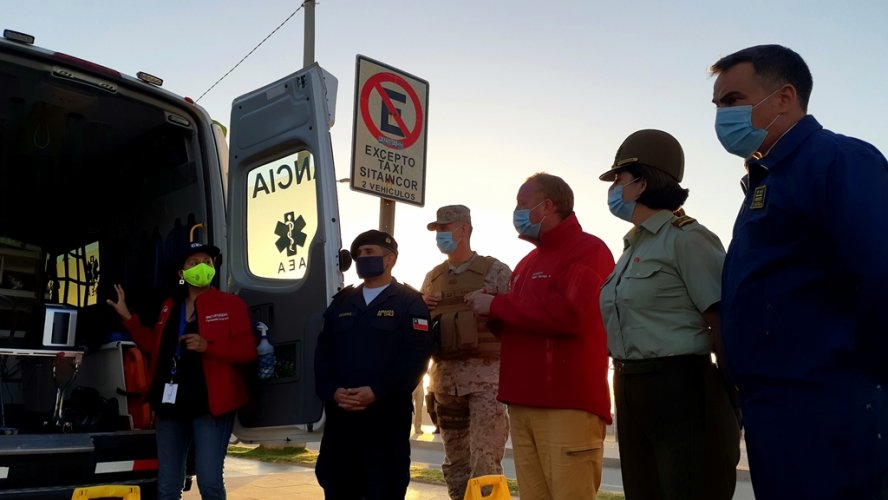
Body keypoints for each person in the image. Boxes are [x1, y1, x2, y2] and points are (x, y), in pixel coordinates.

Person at [710, 44, 888, 499]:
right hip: (775, 409)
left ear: (784, 98)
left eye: (732, 100)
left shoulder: (840, 161)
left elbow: (879, 276)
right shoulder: (763, 184)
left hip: (830, 408)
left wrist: (859, 387)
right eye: (717, 105)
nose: (721, 115)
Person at [598, 129, 740, 499]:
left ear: (642, 183)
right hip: (630, 386)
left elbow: (723, 320)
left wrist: (734, 400)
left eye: (619, 178)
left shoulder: (687, 238)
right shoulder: (631, 248)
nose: (613, 188)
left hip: (683, 389)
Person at [465, 173, 615, 500]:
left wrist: (500, 304)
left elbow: (570, 315)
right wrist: (493, 312)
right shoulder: (527, 263)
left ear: (547, 206)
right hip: (522, 403)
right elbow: (521, 323)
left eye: (522, 204)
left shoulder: (589, 251)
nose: (516, 213)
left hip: (567, 406)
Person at [106, 242, 258, 500]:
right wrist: (128, 317)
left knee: (209, 482)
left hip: (211, 404)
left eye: (207, 262)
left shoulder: (231, 304)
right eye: (193, 262)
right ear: (181, 273)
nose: (202, 266)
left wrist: (207, 346)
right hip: (171, 403)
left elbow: (247, 351)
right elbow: (154, 346)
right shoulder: (169, 306)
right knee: (167, 485)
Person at [314, 229, 433, 500]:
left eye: (369, 252)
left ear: (389, 259)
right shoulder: (342, 301)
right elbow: (323, 354)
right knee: (338, 486)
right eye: (358, 254)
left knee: (384, 488)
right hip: (342, 421)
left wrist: (378, 391)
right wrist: (332, 390)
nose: (361, 258)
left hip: (385, 421)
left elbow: (417, 358)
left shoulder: (409, 302)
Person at [421, 204, 512, 500]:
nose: (440, 236)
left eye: (444, 229)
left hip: (485, 383)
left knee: (485, 463)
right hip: (445, 382)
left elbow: (516, 316)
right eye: (437, 231)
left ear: (463, 230)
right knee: (455, 465)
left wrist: (494, 302)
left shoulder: (495, 271)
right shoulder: (433, 277)